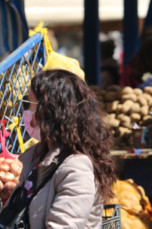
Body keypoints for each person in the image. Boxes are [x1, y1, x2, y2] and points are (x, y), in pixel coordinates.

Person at [0, 70, 116, 228]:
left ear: (49, 111)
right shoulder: (38, 157)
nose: (25, 112)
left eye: (29, 104)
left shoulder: (76, 168)